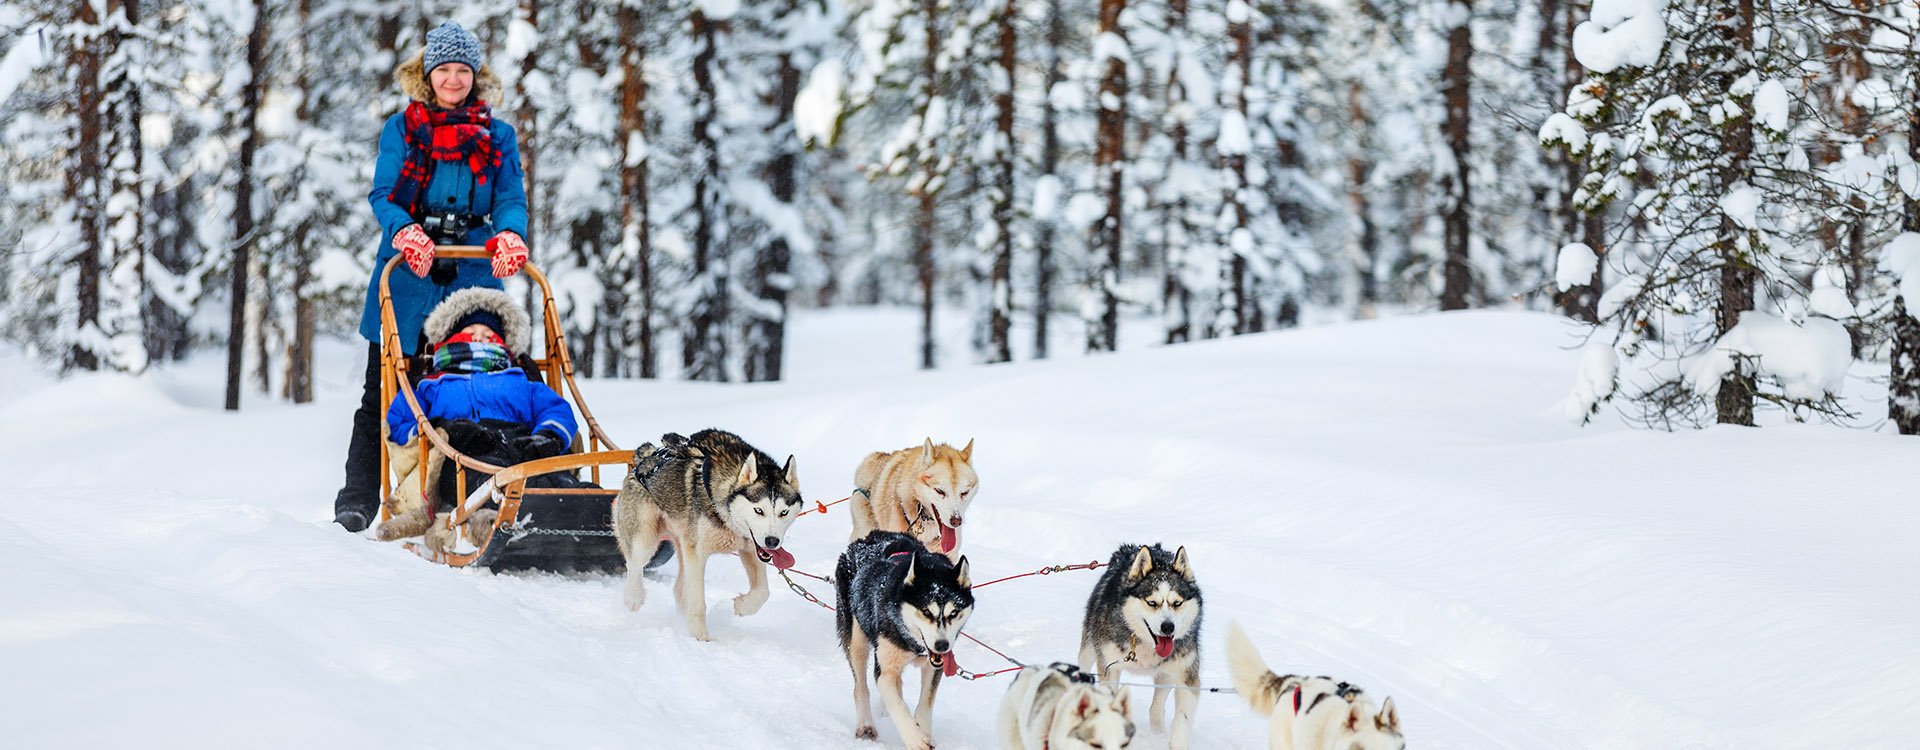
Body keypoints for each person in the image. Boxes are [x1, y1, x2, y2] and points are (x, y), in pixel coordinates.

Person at [335, 20, 532, 532]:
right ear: (427, 75)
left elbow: (510, 197)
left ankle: (489, 488)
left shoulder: (499, 135)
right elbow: (385, 195)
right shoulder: (402, 129)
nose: (452, 79)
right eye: (443, 69)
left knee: (485, 378)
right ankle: (358, 500)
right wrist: (406, 232)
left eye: (461, 70)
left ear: (475, 74)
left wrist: (510, 234)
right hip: (407, 275)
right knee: (383, 387)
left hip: (472, 269)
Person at [376, 288, 577, 545]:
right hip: (461, 454)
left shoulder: (520, 380)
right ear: (450, 341)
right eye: (470, 334)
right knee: (483, 481)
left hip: (519, 446)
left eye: (489, 336)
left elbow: (556, 409)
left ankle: (595, 511)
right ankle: (491, 521)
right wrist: (437, 429)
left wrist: (548, 435)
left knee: (553, 478)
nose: (480, 340)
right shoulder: (431, 384)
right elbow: (400, 422)